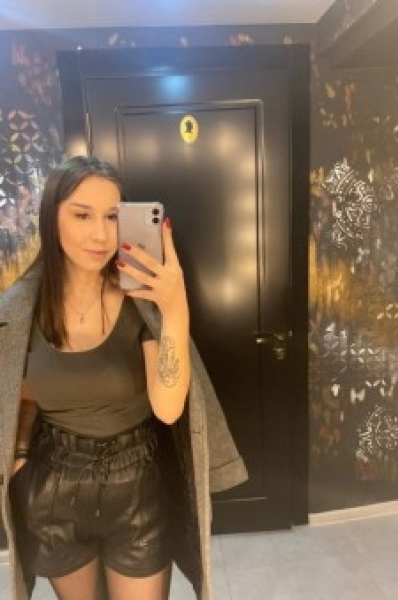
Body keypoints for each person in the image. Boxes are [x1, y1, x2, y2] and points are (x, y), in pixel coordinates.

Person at [0, 155, 248, 600]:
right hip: (52, 487)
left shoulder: (142, 302)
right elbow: (22, 393)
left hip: (137, 485)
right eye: (82, 215)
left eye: (113, 216)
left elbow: (168, 408)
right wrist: (20, 453)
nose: (101, 234)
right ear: (51, 217)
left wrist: (175, 309)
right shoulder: (18, 311)